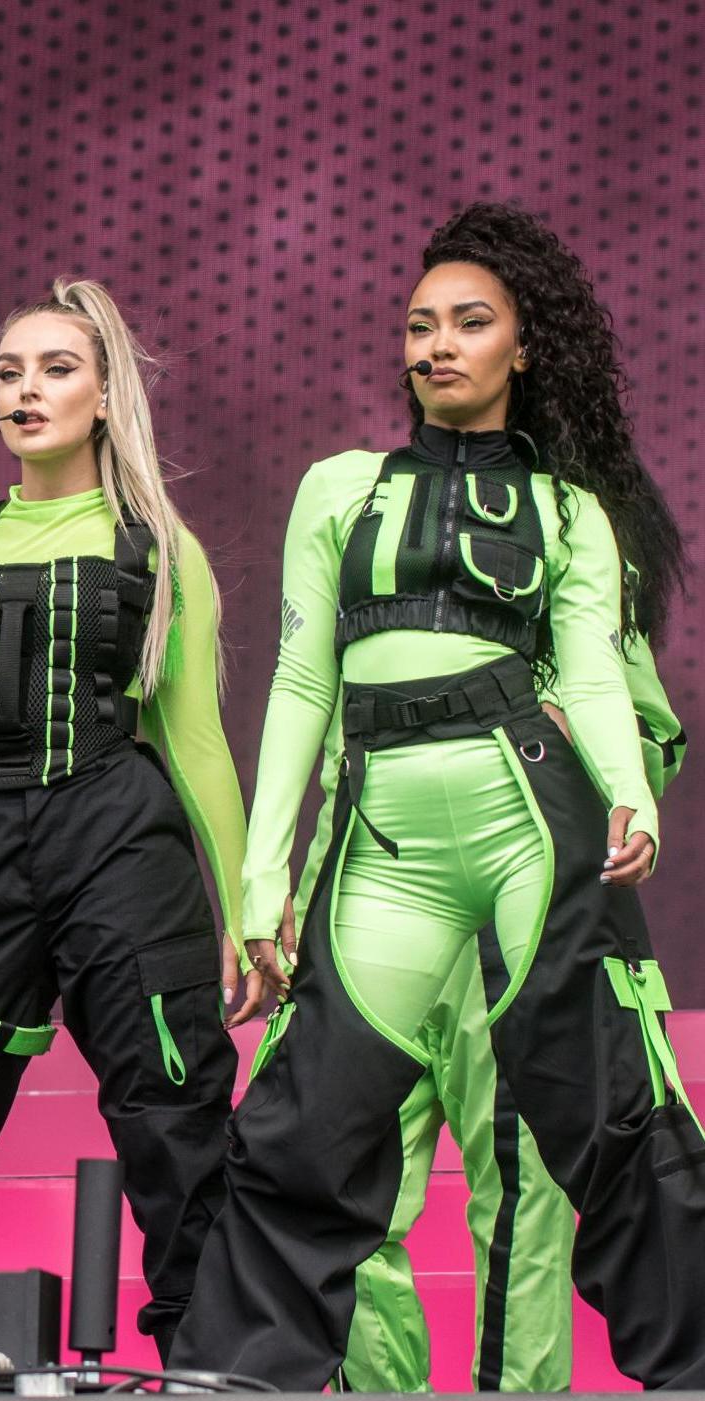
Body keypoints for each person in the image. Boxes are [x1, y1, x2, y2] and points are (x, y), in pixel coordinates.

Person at [169, 202, 705, 1391]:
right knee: (303, 1126)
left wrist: (632, 798)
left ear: (522, 346)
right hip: (383, 837)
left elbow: (585, 675)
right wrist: (259, 888)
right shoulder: (338, 490)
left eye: (468, 323)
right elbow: (301, 680)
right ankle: (240, 1380)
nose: (437, 346)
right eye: (419, 326)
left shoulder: (572, 512)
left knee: (613, 1115)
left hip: (532, 821)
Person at [0, 278, 263, 1359]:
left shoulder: (158, 547)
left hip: (120, 844)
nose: (25, 392)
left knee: (172, 1119)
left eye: (55, 369)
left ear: (106, 396)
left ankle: (209, 1375)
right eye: (8, 372)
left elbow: (197, 742)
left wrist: (249, 911)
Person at [338, 589, 686, 1392]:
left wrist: (567, 732)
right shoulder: (376, 552)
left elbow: (648, 742)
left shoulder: (568, 558)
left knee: (522, 1207)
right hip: (376, 912)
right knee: (337, 1196)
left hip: (518, 915)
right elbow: (339, 752)